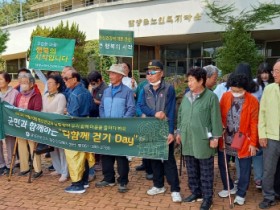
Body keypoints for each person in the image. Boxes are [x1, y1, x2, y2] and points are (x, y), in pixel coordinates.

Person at [176, 67, 223, 210]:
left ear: (201, 81)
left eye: (191, 80)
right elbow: (180, 116)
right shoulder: (186, 96)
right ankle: (196, 192)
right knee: (191, 170)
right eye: (188, 80)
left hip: (203, 140)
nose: (188, 83)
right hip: (188, 139)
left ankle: (207, 198)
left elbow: (216, 119)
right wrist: (179, 132)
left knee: (206, 172)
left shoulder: (211, 97)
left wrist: (215, 137)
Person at [139, 60, 182, 203]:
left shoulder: (168, 88)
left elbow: (171, 110)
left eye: (153, 72)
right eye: (148, 72)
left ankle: (175, 189)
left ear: (161, 73)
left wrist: (171, 132)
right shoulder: (144, 89)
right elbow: (140, 105)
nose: (149, 75)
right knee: (153, 157)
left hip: (164, 129)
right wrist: (153, 113)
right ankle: (158, 185)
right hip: (150, 128)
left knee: (168, 158)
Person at [218, 73, 259, 205]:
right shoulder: (225, 96)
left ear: (245, 88)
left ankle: (241, 193)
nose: (235, 93)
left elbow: (254, 123)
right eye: (233, 90)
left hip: (243, 137)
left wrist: (253, 143)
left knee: (245, 167)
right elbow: (218, 114)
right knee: (223, 163)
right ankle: (228, 186)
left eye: (239, 91)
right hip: (226, 136)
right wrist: (220, 125)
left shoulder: (252, 100)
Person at [96, 64, 135, 193]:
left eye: (113, 74)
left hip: (121, 130)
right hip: (107, 129)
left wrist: (122, 123)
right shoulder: (106, 91)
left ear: (120, 76)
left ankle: (123, 181)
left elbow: (131, 109)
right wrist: (104, 120)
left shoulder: (127, 91)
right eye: (110, 73)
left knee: (121, 156)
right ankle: (109, 178)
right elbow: (101, 107)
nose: (110, 76)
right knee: (106, 154)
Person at [63, 67, 94, 194]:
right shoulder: (86, 91)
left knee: (74, 155)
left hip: (75, 127)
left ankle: (77, 184)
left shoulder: (75, 94)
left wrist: (67, 112)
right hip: (85, 125)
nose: (64, 81)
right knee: (84, 154)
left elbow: (73, 114)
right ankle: (85, 181)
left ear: (74, 79)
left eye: (66, 78)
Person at [258, 59, 280, 209]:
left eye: (277, 71)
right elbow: (262, 113)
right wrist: (262, 134)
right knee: (269, 169)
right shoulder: (270, 89)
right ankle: (268, 196)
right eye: (274, 71)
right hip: (271, 136)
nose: (274, 74)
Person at [14, 73, 43, 178]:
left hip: (31, 125)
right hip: (20, 125)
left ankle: (37, 169)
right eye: (21, 83)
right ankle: (24, 168)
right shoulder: (19, 95)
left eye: (25, 83)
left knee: (33, 147)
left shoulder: (36, 94)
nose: (23, 85)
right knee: (21, 147)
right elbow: (14, 107)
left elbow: (37, 110)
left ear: (31, 84)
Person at [42, 75, 68, 182]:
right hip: (48, 125)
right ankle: (58, 168)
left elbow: (60, 111)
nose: (48, 85)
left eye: (51, 83)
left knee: (61, 149)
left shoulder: (61, 96)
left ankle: (65, 172)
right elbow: (42, 110)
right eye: (47, 83)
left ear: (57, 85)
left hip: (58, 126)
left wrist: (49, 117)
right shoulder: (45, 96)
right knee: (52, 149)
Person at [87, 70, 108, 173]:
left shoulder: (106, 89)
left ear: (99, 80)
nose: (92, 85)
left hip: (101, 118)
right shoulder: (94, 88)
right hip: (93, 117)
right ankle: (96, 160)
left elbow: (107, 104)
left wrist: (97, 101)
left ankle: (101, 162)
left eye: (94, 83)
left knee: (100, 140)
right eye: (91, 83)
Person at [0, 71, 19, 175]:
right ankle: (1, 165)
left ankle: (10, 165)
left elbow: (16, 108)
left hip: (9, 123)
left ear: (7, 80)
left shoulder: (15, 93)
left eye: (1, 79)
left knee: (10, 144)